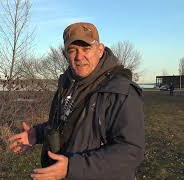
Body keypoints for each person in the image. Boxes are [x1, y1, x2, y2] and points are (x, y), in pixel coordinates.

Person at [8, 22, 145, 180]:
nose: (79, 57)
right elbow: (67, 123)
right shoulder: (68, 84)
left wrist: (73, 168)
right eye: (73, 50)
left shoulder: (121, 91)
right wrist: (37, 134)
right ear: (65, 54)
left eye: (86, 49)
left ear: (100, 50)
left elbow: (130, 151)